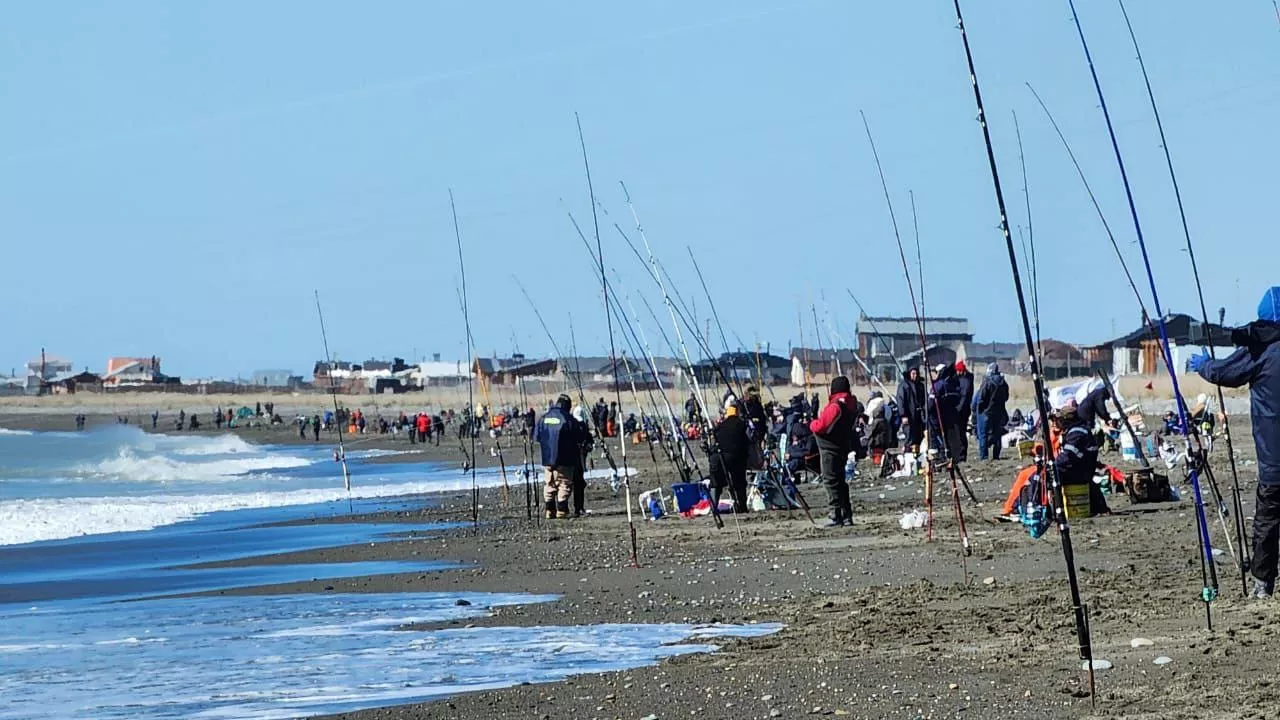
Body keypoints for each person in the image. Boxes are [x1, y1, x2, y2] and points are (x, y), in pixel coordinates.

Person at [1191, 286, 1280, 598]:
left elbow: (1223, 372)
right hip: (1273, 460)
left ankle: (1262, 585)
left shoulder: (1260, 350)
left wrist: (1203, 364)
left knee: (1267, 522)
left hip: (1274, 462)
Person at [810, 376, 857, 527]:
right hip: (842, 448)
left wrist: (812, 422)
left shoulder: (835, 406)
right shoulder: (850, 405)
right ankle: (846, 515)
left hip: (829, 449)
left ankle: (835, 514)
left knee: (831, 481)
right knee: (840, 482)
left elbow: (820, 426)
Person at [1052, 406, 1110, 517]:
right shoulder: (1079, 429)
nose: (1057, 422)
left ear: (1065, 420)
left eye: (1059, 420)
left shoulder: (1076, 433)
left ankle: (1056, 508)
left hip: (1080, 472)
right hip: (1085, 470)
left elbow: (1068, 457)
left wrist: (1052, 464)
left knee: (1052, 474)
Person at [536, 394, 583, 519]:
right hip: (565, 458)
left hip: (547, 458)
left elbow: (537, 436)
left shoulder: (544, 418)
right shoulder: (568, 419)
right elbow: (579, 437)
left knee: (549, 483)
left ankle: (549, 510)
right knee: (564, 483)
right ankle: (562, 510)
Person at [709, 398, 751, 513]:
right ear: (737, 413)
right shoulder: (742, 425)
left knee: (716, 483)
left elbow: (714, 442)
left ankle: (713, 507)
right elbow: (747, 441)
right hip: (736, 457)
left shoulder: (720, 427)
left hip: (719, 457)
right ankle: (742, 506)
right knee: (739, 483)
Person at [974, 365, 1010, 461]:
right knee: (998, 435)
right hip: (999, 412)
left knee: (983, 435)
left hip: (986, 412)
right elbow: (1006, 397)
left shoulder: (987, 382)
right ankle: (996, 455)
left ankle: (984, 457)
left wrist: (979, 409)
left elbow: (981, 397)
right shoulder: (1004, 383)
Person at [929, 363, 963, 462]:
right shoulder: (953, 384)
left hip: (938, 417)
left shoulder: (938, 386)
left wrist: (927, 411)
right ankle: (949, 456)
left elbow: (930, 404)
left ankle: (939, 458)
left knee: (936, 438)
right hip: (950, 417)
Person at [895, 367, 927, 451]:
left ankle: (917, 453)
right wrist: (903, 415)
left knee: (919, 437)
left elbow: (924, 400)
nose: (915, 376)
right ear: (909, 374)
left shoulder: (920, 386)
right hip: (909, 415)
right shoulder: (904, 385)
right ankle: (907, 453)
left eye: (916, 374)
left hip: (919, 416)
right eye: (913, 374)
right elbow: (901, 401)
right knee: (909, 436)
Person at [954, 361, 975, 462]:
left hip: (962, 411)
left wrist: (958, 409)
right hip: (963, 410)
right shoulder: (965, 379)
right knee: (959, 432)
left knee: (960, 433)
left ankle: (962, 454)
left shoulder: (966, 381)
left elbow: (964, 397)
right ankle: (960, 453)